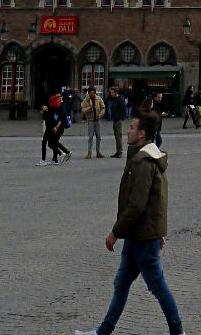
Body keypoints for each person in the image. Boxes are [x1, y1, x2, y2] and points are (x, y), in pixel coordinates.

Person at [75, 111, 184, 335]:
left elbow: (137, 204)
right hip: (138, 236)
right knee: (121, 285)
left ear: (142, 134)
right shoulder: (143, 157)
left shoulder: (143, 162)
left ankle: (178, 331)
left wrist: (115, 232)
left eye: (132, 127)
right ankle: (103, 332)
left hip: (143, 237)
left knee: (157, 286)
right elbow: (156, 200)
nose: (128, 130)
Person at [82, 86, 106, 158]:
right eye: (90, 92)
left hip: (98, 120)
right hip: (91, 120)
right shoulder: (86, 100)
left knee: (99, 137)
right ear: (88, 93)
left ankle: (98, 152)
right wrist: (89, 108)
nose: (92, 94)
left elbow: (103, 107)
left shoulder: (98, 98)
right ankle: (89, 153)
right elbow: (83, 110)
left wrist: (101, 114)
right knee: (90, 137)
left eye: (93, 92)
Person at [109, 88, 128, 157]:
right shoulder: (115, 99)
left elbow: (124, 110)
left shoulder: (120, 100)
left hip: (119, 120)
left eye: (112, 93)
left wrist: (121, 118)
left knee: (118, 136)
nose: (111, 94)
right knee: (116, 136)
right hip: (115, 120)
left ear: (115, 93)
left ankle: (120, 152)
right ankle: (118, 151)